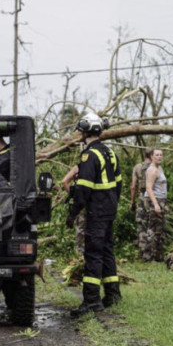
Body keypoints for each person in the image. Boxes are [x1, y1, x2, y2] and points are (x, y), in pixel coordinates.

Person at [66, 112, 122, 317]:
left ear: (84, 131)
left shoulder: (89, 155)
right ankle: (113, 295)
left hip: (97, 212)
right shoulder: (110, 153)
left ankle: (91, 301)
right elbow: (119, 184)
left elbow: (83, 189)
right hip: (109, 209)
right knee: (107, 251)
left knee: (93, 253)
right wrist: (112, 204)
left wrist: (72, 214)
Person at [143, 149, 168, 262]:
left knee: (160, 228)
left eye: (161, 155)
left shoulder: (159, 168)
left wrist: (164, 204)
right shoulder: (152, 170)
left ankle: (158, 256)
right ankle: (148, 256)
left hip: (161, 199)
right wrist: (156, 204)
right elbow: (148, 188)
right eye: (157, 155)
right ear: (152, 157)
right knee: (152, 228)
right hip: (154, 199)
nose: (159, 157)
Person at [130, 149, 154, 262]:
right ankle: (152, 253)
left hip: (141, 198)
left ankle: (143, 252)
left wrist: (132, 202)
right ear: (152, 155)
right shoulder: (156, 167)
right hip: (154, 199)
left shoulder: (137, 167)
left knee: (141, 225)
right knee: (152, 224)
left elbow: (133, 186)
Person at [61, 165, 86, 256]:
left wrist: (74, 194)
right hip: (93, 201)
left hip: (80, 202)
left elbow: (64, 181)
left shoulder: (78, 167)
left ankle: (80, 252)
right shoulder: (94, 166)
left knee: (81, 227)